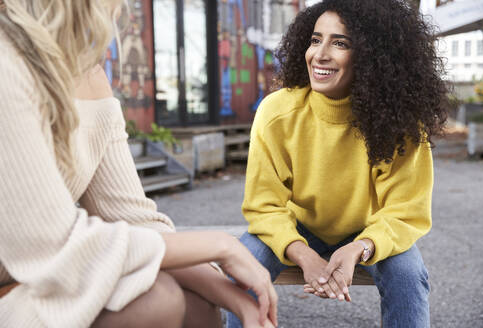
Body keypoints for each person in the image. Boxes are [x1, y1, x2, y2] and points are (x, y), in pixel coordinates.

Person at [0, 1, 278, 327]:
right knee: (157, 301)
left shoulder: (87, 73)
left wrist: (231, 297)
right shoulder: (8, 62)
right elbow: (54, 244)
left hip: (37, 275)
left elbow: (135, 220)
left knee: (199, 303)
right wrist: (220, 245)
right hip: (34, 271)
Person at [227, 0, 449, 327]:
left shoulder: (401, 122)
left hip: (369, 229)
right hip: (297, 225)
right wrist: (305, 256)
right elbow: (264, 205)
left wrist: (360, 247)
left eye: (340, 43)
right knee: (242, 265)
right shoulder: (276, 113)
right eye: (316, 40)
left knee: (408, 276)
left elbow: (405, 212)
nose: (320, 54)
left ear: (374, 56)